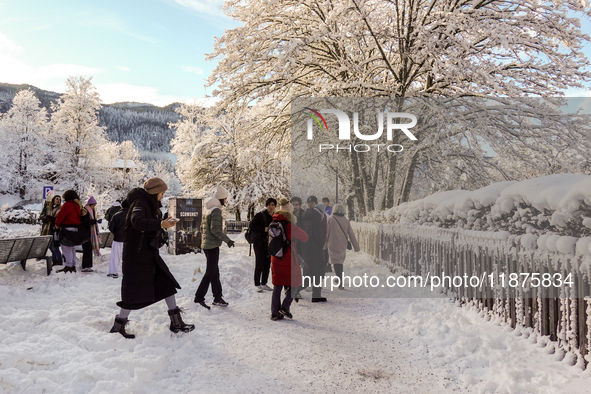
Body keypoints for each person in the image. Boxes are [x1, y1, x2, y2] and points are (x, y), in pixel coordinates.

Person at [109, 177, 194, 338]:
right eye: (161, 193)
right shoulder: (139, 203)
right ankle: (118, 326)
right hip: (136, 257)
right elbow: (137, 222)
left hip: (148, 254)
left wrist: (162, 223)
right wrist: (161, 224)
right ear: (155, 192)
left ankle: (176, 322)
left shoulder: (148, 204)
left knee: (166, 283)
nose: (162, 196)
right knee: (132, 293)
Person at [193, 185, 235, 309]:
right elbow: (215, 229)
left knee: (215, 272)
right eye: (225, 199)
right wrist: (227, 240)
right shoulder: (216, 210)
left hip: (207, 244)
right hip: (212, 246)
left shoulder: (208, 209)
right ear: (221, 198)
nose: (225, 201)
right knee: (210, 272)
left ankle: (217, 297)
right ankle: (198, 297)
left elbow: (202, 227)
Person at [270, 198, 308, 320]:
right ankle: (285, 307)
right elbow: (305, 237)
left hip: (276, 258)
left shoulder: (273, 223)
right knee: (295, 283)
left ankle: (275, 313)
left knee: (277, 286)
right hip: (289, 260)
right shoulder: (291, 226)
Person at [299, 195, 327, 302]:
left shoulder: (305, 215)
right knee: (317, 272)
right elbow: (317, 234)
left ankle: (315, 295)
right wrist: (322, 244)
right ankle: (313, 295)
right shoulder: (316, 217)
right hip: (315, 248)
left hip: (306, 247)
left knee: (309, 272)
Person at [326, 204, 360, 289]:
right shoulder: (345, 220)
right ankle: (339, 280)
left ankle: (339, 280)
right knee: (339, 262)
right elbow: (351, 233)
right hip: (342, 244)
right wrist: (356, 247)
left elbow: (326, 232)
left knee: (335, 261)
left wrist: (324, 243)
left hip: (332, 243)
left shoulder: (330, 219)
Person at [55, 190, 88, 273]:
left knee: (66, 247)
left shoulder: (67, 205)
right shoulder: (77, 205)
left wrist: (57, 224)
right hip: (76, 228)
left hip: (67, 228)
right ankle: (72, 264)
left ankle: (69, 265)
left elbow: (60, 216)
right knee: (71, 247)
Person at [249, 198, 277, 292]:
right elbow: (252, 226)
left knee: (267, 264)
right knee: (259, 263)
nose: (271, 206)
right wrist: (263, 229)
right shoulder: (260, 215)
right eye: (269, 204)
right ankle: (257, 284)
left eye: (273, 205)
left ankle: (264, 283)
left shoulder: (275, 216)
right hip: (259, 243)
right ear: (266, 205)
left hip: (269, 244)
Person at [107, 199, 129, 278]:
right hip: (128, 239)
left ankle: (113, 271)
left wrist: (116, 233)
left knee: (115, 255)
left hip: (117, 238)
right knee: (127, 257)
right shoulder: (131, 215)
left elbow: (111, 227)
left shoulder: (116, 215)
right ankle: (127, 272)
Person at [39, 193, 63, 266]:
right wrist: (45, 219)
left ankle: (59, 260)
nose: (58, 200)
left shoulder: (60, 208)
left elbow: (60, 219)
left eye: (59, 199)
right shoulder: (49, 208)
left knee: (54, 247)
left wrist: (52, 219)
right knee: (50, 246)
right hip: (47, 229)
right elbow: (42, 216)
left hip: (55, 229)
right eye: (56, 199)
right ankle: (54, 260)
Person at [81, 196, 101, 273]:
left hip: (89, 233)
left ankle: (88, 265)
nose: (93, 207)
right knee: (87, 249)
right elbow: (85, 222)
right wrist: (94, 221)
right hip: (86, 233)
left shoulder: (91, 211)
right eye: (93, 206)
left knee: (88, 249)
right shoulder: (85, 211)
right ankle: (86, 266)